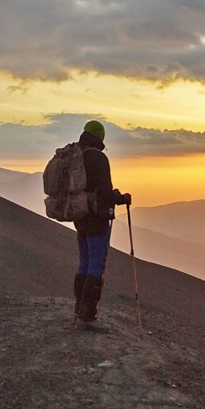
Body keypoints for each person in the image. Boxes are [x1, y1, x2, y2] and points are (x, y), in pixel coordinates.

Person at [73, 120, 131, 329]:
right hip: (96, 218)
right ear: (100, 137)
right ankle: (88, 316)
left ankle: (79, 310)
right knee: (97, 264)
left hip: (79, 216)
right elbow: (105, 192)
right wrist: (121, 198)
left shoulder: (76, 155)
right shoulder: (97, 157)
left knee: (84, 262)